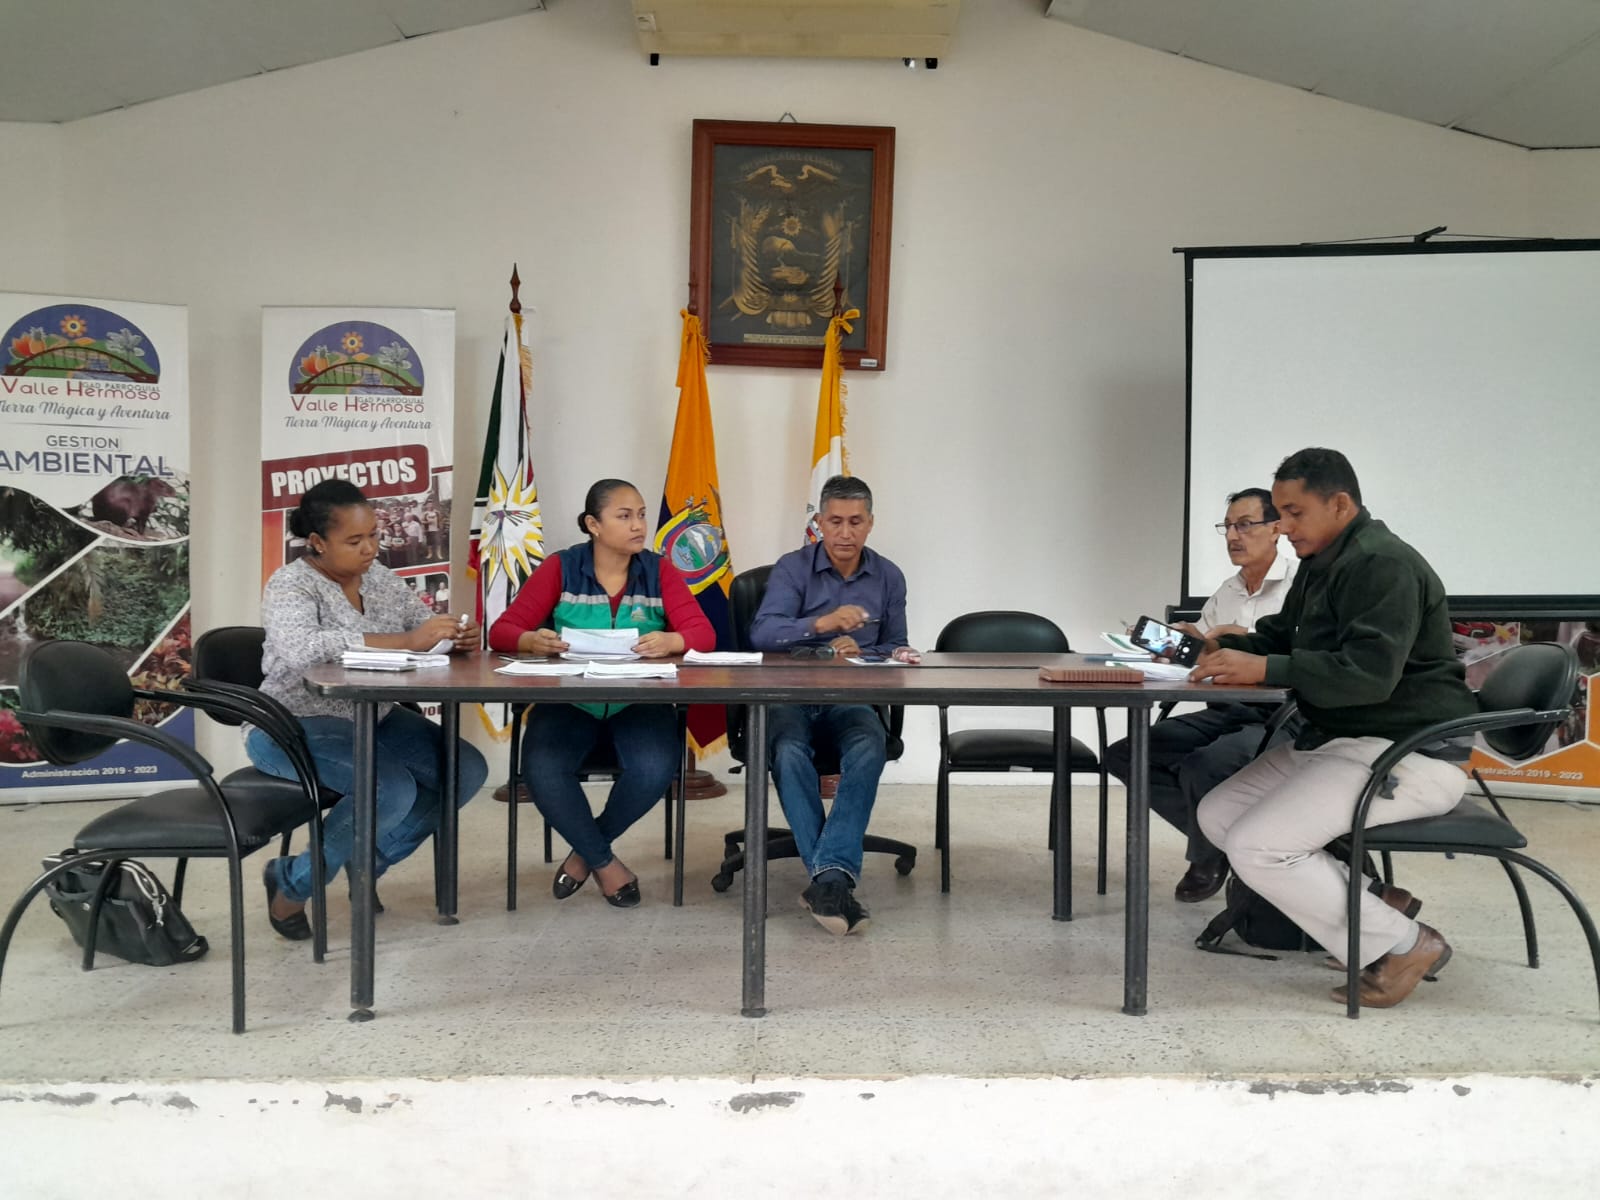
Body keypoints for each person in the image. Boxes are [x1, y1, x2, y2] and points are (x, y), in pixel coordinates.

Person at [1193, 448, 1475, 1009]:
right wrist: (1223, 647)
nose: (1283, 527)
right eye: (1279, 513)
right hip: (1343, 740)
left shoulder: (1382, 564)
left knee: (1258, 846)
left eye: (1293, 513)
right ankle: (1376, 903)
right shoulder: (1324, 560)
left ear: (1340, 504)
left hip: (1409, 751)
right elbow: (1281, 636)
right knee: (1218, 816)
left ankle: (1405, 946)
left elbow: (1368, 675)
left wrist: (1266, 668)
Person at [251, 479, 488, 939]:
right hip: (293, 722)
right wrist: (406, 641)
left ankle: (367, 861)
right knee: (388, 789)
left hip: (371, 714)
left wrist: (450, 635)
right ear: (318, 542)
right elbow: (302, 649)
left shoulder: (378, 578)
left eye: (374, 536)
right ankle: (294, 882)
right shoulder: (291, 584)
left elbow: (420, 625)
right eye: (355, 540)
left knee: (465, 769)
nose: (370, 549)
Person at [489, 478, 714, 908]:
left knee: (655, 767)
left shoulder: (659, 570)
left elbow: (703, 632)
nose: (638, 525)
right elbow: (502, 631)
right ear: (593, 524)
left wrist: (673, 640)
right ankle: (606, 865)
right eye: (624, 516)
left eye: (641, 515)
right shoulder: (561, 567)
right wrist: (531, 640)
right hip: (568, 700)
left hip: (639, 701)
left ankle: (585, 855)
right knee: (542, 769)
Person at [1103, 488, 1299, 903]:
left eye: (1245, 525)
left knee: (1204, 766)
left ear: (1276, 528)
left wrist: (1244, 638)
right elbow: (1203, 660)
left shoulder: (1298, 586)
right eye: (1227, 527)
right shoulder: (1227, 591)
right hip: (1227, 710)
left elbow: (1301, 656)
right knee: (1127, 754)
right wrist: (1182, 647)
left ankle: (1207, 857)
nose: (1234, 536)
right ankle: (1219, 844)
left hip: (1282, 716)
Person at [748, 475, 921, 935]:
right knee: (787, 751)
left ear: (871, 523)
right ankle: (833, 880)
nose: (845, 532)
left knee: (869, 744)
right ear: (820, 522)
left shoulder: (888, 575)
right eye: (836, 521)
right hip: (791, 696)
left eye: (856, 522)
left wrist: (868, 651)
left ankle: (825, 882)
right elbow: (763, 633)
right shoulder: (792, 568)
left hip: (850, 698)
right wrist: (822, 627)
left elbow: (896, 644)